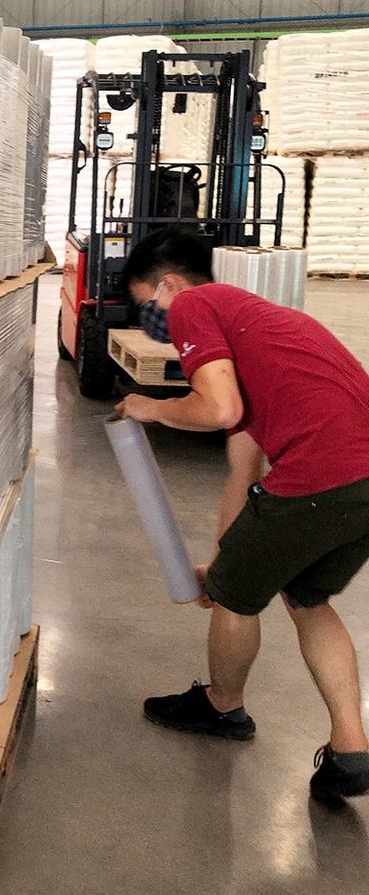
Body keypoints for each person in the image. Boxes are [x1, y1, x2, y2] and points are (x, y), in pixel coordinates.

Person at [117, 227, 369, 803]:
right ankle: (352, 750)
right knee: (306, 598)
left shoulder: (196, 304)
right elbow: (242, 472)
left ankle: (222, 708)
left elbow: (218, 408)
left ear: (171, 285)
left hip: (322, 471)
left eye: (148, 304)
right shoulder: (261, 329)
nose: (153, 321)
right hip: (364, 481)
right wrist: (223, 563)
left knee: (236, 601)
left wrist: (151, 407)